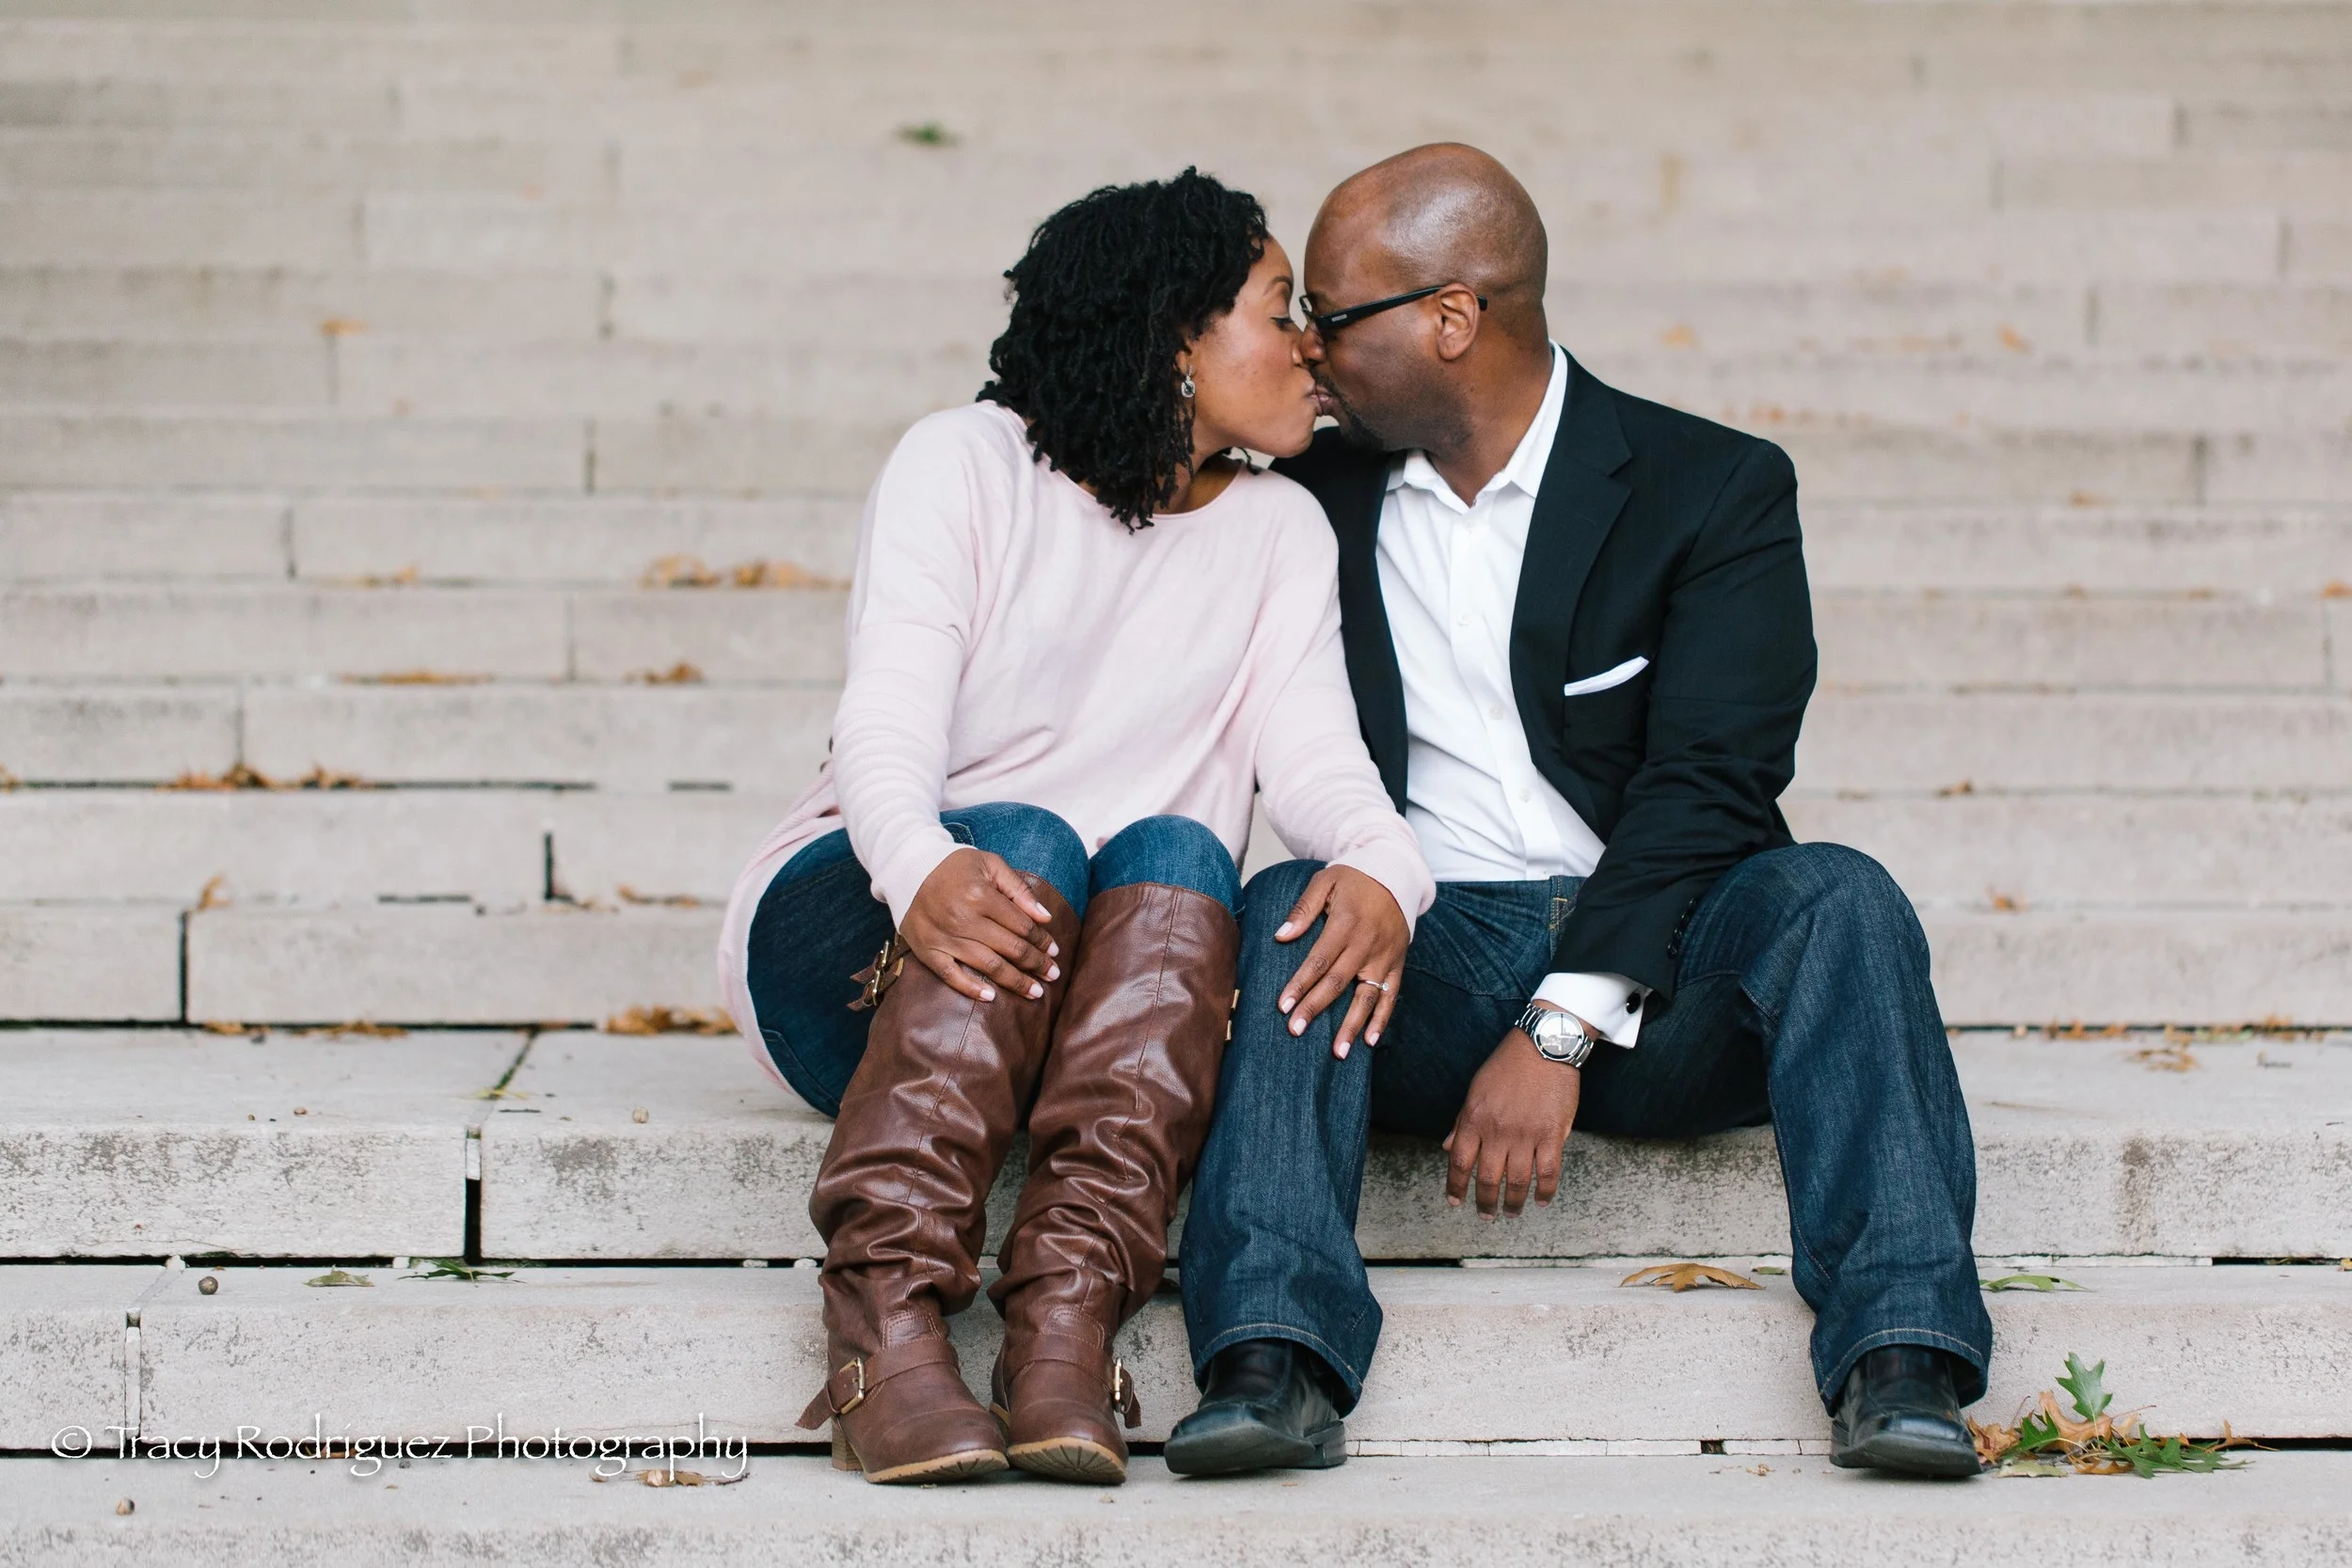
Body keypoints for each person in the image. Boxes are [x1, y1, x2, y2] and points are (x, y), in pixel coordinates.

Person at [1168, 144, 1993, 1481]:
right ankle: (1271, 1353)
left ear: (1451, 318)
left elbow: (1714, 785)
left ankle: (1902, 1355)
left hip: (1671, 967)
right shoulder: (1308, 501)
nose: (1310, 350)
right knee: (1288, 904)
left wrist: (1562, 1022)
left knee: (1842, 894)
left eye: (1333, 314)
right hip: (1424, 964)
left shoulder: (1711, 489)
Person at [715, 169, 1433, 1488]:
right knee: (1033, 839)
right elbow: (886, 733)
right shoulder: (965, 462)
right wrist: (926, 863)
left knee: (1182, 857)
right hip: (867, 939)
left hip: (1088, 1008)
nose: (1312, 346)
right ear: (1176, 336)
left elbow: (1325, 771)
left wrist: (1390, 870)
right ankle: (883, 1318)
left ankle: (1064, 1319)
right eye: (1282, 311)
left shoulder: (1278, 532)